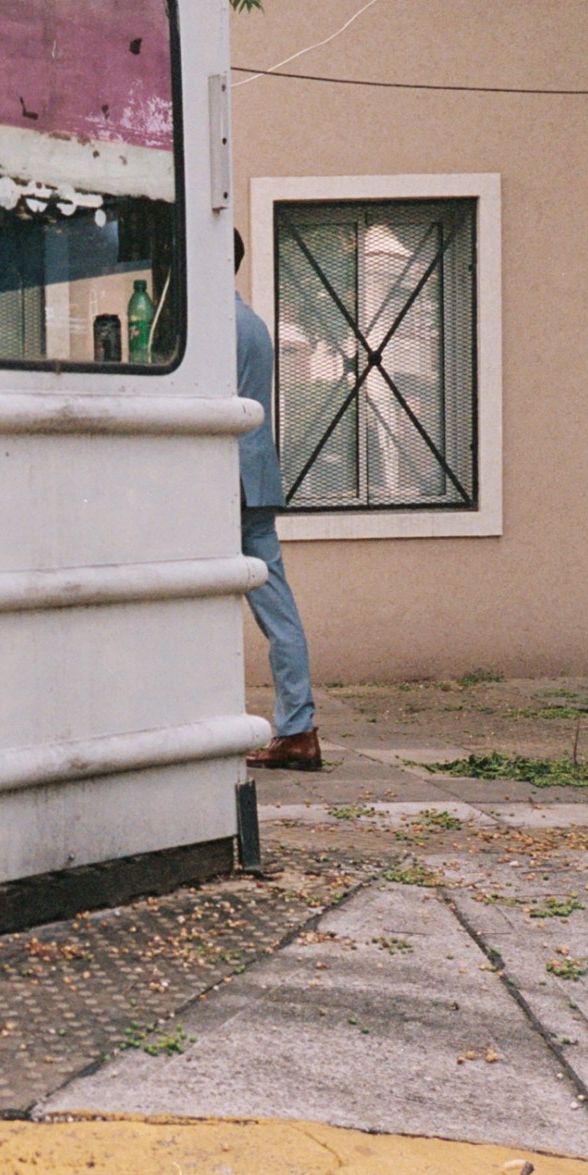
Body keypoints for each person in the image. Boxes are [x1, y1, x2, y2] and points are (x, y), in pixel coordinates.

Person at [234, 230, 322, 772]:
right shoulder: (254, 324)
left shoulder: (205, 325)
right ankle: (298, 729)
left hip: (222, 480)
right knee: (278, 609)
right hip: (257, 478)